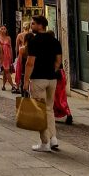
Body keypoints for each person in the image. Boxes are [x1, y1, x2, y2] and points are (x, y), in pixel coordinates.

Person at [23, 16, 62, 153]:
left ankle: (45, 142)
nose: (31, 25)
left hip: (38, 79)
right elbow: (58, 61)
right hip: (52, 79)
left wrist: (25, 80)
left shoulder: (34, 41)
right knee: (49, 109)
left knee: (40, 111)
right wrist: (52, 71)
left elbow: (30, 63)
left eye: (33, 23)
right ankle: (53, 138)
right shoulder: (55, 40)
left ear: (40, 25)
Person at [13, 20, 31, 95]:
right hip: (30, 55)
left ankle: (22, 90)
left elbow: (16, 48)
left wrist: (17, 55)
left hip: (22, 56)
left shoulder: (20, 35)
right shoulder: (31, 35)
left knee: (22, 74)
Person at [0, 26, 15, 92]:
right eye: (2, 29)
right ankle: (13, 86)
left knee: (5, 72)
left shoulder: (8, 38)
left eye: (4, 28)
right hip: (2, 56)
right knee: (7, 71)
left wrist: (11, 57)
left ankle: (3, 86)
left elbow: (10, 48)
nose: (3, 30)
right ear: (0, 30)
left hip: (8, 56)